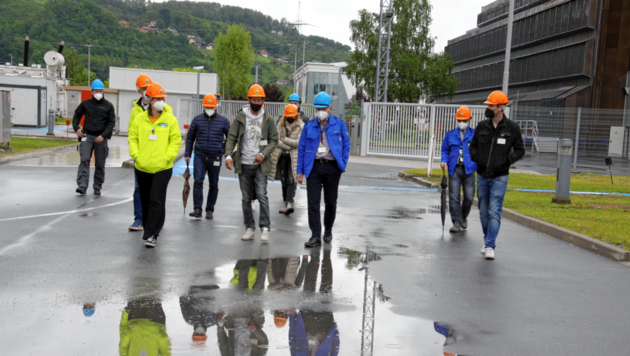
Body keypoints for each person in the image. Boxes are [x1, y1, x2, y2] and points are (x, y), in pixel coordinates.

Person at [470, 91, 525, 260]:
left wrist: (506, 161)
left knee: (494, 210)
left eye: (491, 105)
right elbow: (473, 147)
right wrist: (477, 159)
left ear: (500, 108)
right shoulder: (481, 126)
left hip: (500, 176)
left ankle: (490, 246)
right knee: (483, 211)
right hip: (483, 175)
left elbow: (520, 150)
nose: (488, 108)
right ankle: (488, 240)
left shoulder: (512, 128)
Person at [128, 83, 182, 248]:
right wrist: (136, 156)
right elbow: (132, 138)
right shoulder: (139, 119)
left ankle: (152, 234)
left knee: (156, 199)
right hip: (143, 166)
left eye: (162, 98)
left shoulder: (170, 119)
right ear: (150, 100)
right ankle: (148, 227)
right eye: (158, 98)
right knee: (145, 200)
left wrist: (168, 157)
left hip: (162, 167)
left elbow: (176, 140)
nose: (161, 101)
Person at [224, 84, 278, 242]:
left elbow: (274, 139)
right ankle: (249, 228)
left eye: (259, 99)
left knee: (262, 195)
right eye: (253, 99)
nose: (256, 101)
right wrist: (228, 155)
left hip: (260, 165)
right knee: (246, 198)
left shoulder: (267, 119)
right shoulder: (240, 118)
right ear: (248, 100)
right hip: (244, 164)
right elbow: (231, 137)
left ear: (263, 101)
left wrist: (263, 154)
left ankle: (265, 228)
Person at [296, 92, 350, 248]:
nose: (320, 111)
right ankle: (315, 235)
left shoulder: (339, 124)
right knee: (313, 203)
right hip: (313, 167)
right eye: (318, 108)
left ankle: (328, 230)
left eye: (324, 108)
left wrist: (342, 163)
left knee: (330, 202)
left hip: (332, 167)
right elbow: (302, 148)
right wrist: (300, 170)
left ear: (330, 108)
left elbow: (346, 145)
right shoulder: (309, 126)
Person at [185, 93, 231, 220]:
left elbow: (231, 137)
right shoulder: (197, 120)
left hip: (215, 156)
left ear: (216, 107)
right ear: (203, 106)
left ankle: (210, 209)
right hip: (199, 155)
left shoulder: (223, 121)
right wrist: (188, 154)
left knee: (214, 184)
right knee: (198, 181)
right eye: (207, 107)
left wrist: (224, 151)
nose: (209, 109)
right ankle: (197, 209)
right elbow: (190, 138)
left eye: (211, 107)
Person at [72, 79, 116, 196]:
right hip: (87, 136)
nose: (98, 93)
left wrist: (103, 136)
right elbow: (76, 115)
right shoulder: (86, 104)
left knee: (100, 163)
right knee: (84, 160)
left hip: (101, 138)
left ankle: (97, 187)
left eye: (100, 91)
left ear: (103, 91)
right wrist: (76, 128)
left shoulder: (108, 106)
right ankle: (82, 185)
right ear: (92, 91)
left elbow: (111, 123)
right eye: (96, 91)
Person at [440, 106, 477, 233]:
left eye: (464, 120)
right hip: (454, 169)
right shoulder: (450, 135)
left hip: (469, 169)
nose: (462, 123)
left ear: (469, 120)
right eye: (460, 120)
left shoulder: (474, 135)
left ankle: (463, 216)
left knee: (469, 197)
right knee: (454, 197)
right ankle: (456, 222)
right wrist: (444, 160)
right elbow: (444, 150)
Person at [268, 104, 304, 216]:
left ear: (296, 116)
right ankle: (286, 202)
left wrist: (285, 140)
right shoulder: (280, 124)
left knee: (291, 179)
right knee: (283, 179)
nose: (290, 118)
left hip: (294, 156)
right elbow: (276, 139)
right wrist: (288, 146)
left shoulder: (301, 126)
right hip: (282, 155)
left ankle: (289, 203)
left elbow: (299, 142)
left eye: (292, 116)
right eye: (288, 116)